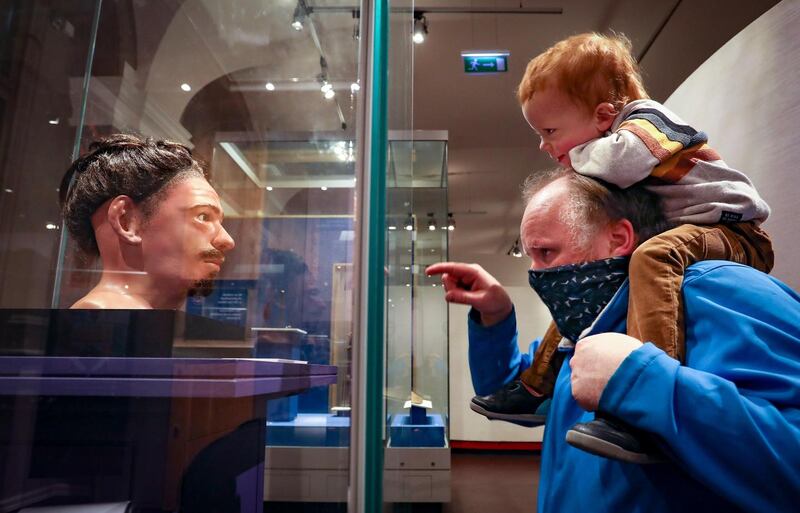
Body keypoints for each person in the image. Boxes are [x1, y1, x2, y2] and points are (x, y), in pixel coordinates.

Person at [472, 32, 774, 462]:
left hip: (737, 232)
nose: (545, 145)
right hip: (691, 230)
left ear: (602, 115)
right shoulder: (606, 144)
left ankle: (643, 396)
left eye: (551, 131)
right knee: (584, 298)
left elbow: (621, 161)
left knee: (655, 257)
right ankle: (535, 386)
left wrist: (573, 156)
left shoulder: (647, 120)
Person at [427, 168, 800, 512]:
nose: (534, 274)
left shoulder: (717, 291)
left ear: (618, 237)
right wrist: (495, 316)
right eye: (530, 257)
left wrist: (637, 383)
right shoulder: (590, 325)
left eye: (545, 253)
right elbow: (516, 397)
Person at [59, 133, 235, 309]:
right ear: (126, 221)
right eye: (203, 216)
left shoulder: (148, 326)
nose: (228, 240)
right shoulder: (98, 325)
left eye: (219, 222)